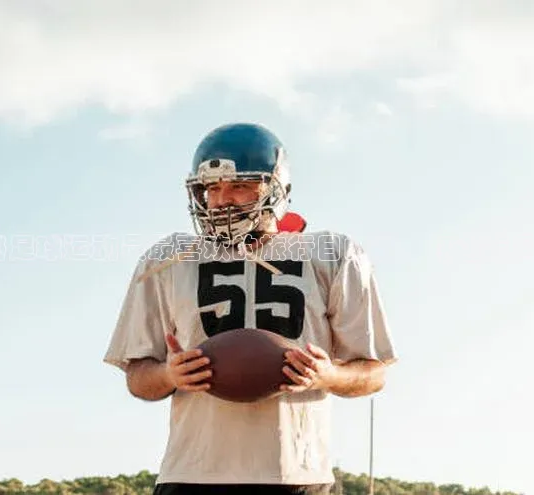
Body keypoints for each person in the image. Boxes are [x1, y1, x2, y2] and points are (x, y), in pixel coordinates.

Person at [103, 122, 397, 494]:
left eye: (239, 186)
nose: (222, 199)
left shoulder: (334, 255)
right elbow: (138, 377)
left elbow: (374, 372)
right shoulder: (167, 259)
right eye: (211, 188)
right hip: (192, 475)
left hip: (297, 476)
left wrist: (327, 375)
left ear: (276, 188)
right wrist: (169, 375)